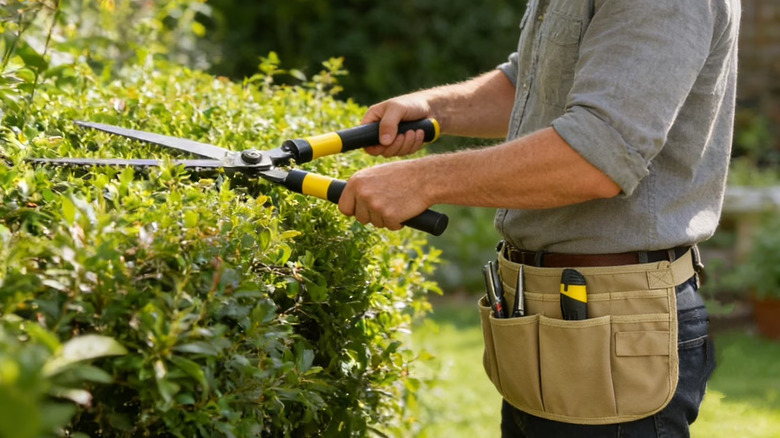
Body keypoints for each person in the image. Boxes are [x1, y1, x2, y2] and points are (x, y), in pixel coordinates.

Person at [338, 0, 740, 437]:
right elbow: (530, 84)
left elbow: (597, 154)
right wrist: (436, 107)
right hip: (549, 313)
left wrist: (422, 181)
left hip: (616, 325)